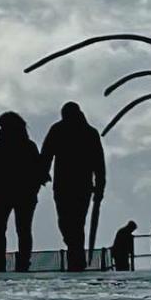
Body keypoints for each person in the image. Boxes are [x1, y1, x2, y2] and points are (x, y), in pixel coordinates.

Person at [39, 102, 106, 272]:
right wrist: (42, 173)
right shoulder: (60, 130)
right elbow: (47, 154)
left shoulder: (89, 133)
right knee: (68, 223)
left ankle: (76, 257)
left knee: (74, 223)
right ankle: (76, 253)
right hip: (65, 185)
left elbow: (98, 163)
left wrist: (100, 187)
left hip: (78, 185)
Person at [0, 111, 42, 273]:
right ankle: (23, 263)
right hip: (25, 194)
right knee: (24, 230)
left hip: (2, 193)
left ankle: (0, 263)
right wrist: (33, 191)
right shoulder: (29, 146)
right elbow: (38, 172)